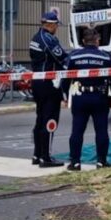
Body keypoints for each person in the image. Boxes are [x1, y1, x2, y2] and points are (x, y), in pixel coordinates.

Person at [63, 28, 111, 171]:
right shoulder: (106, 57)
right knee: (101, 130)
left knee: (77, 130)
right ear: (97, 41)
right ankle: (101, 162)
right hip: (100, 97)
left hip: (80, 97)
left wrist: (64, 97)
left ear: (83, 41)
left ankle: (75, 162)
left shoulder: (74, 56)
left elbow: (65, 78)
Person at [29, 9, 68, 168]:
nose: (57, 27)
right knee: (49, 119)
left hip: (37, 82)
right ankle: (46, 157)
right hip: (49, 83)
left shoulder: (35, 37)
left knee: (40, 119)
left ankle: (37, 155)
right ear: (50, 25)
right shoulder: (48, 39)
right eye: (56, 25)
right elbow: (62, 58)